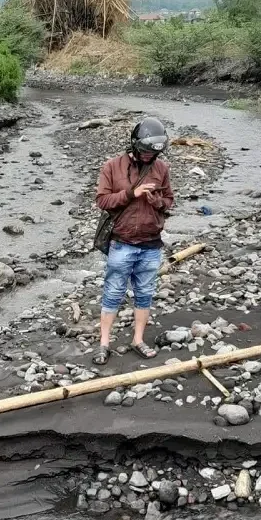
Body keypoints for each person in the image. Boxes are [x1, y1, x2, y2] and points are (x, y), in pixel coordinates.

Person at [93, 117, 174, 365]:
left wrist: (156, 202)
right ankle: (103, 344)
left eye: (155, 152)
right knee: (113, 292)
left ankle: (138, 340)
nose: (150, 156)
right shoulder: (113, 166)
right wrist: (132, 194)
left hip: (151, 244)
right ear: (136, 145)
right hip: (122, 242)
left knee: (145, 294)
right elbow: (102, 201)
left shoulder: (162, 169)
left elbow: (169, 201)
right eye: (147, 151)